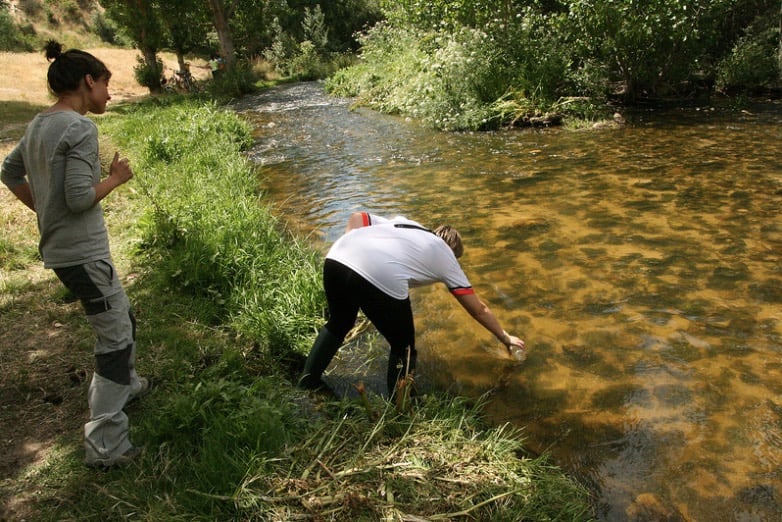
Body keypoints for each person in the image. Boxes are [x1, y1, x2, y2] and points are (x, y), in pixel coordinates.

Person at [1, 41, 150, 468]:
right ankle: (106, 446)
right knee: (115, 339)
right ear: (88, 81)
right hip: (82, 253)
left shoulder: (37, 124)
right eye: (106, 84)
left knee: (122, 314)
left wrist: (43, 210)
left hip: (64, 251)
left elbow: (9, 172)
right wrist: (116, 179)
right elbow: (81, 197)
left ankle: (129, 386)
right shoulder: (80, 128)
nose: (109, 94)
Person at [299, 211, 526, 397]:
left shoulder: (405, 224)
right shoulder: (446, 256)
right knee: (404, 348)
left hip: (337, 257)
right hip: (376, 273)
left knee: (340, 322)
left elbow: (359, 217)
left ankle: (306, 382)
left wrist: (356, 253)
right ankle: (402, 408)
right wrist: (505, 337)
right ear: (454, 253)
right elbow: (479, 309)